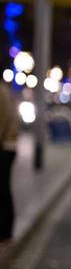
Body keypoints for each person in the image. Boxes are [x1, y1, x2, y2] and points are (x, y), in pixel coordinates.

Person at [0, 79, 18, 243]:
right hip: (10, 146)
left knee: (3, 190)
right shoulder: (6, 91)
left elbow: (1, 123)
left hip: (5, 147)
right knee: (4, 189)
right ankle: (6, 230)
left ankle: (5, 231)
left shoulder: (1, 93)